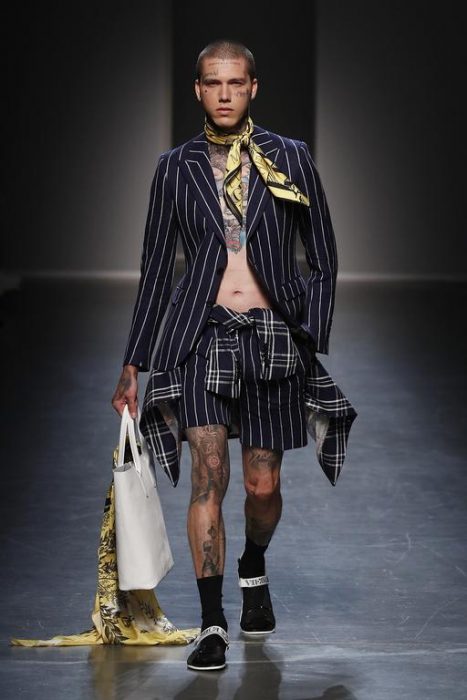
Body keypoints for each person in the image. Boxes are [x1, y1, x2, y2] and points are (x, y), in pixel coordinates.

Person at [111, 39, 357, 671]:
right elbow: (155, 270)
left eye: (236, 83)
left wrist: (308, 333)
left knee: (261, 484)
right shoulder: (174, 168)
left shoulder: (290, 157)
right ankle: (212, 622)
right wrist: (134, 363)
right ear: (198, 90)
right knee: (208, 477)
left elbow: (324, 256)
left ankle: (253, 564)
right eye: (213, 83)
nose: (224, 94)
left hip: (272, 339)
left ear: (253, 88)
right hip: (201, 337)